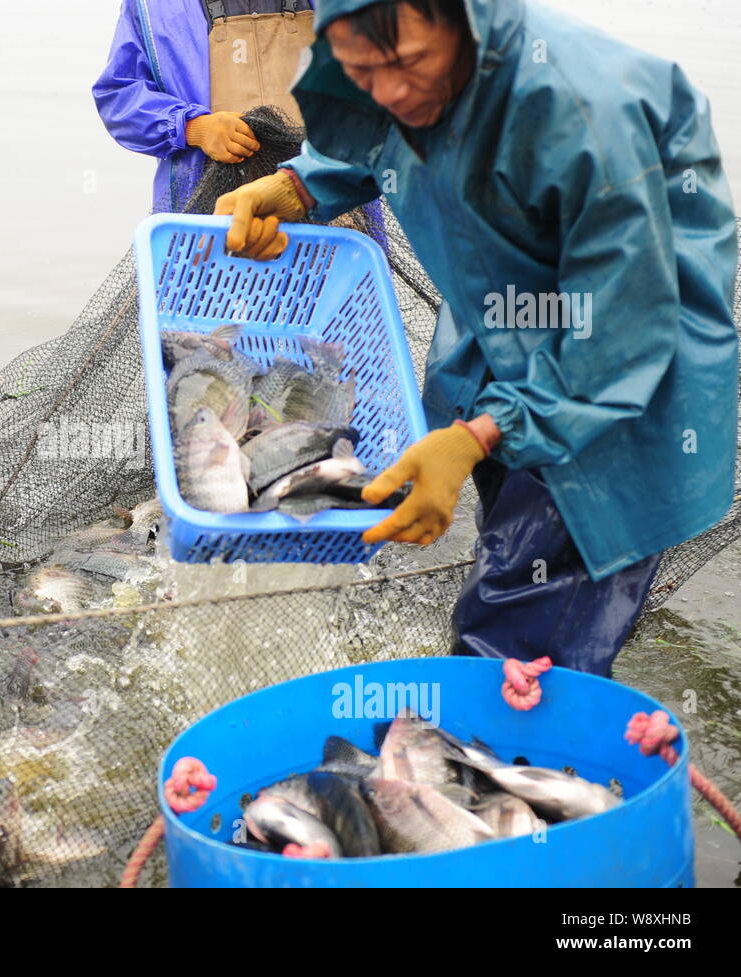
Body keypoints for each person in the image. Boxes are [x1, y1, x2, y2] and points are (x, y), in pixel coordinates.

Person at [214, 0, 738, 676]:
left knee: (516, 653)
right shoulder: (389, 67)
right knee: (507, 582)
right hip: (498, 350)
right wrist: (293, 187)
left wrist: (472, 439)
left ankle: (530, 749)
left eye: (410, 64)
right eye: (364, 70)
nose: (392, 92)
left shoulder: (581, 115)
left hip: (614, 412)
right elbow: (372, 130)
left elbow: (623, 335)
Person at [94, 1, 319, 214]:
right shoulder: (149, 5)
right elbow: (118, 94)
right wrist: (192, 127)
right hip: (204, 209)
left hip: (322, 193)